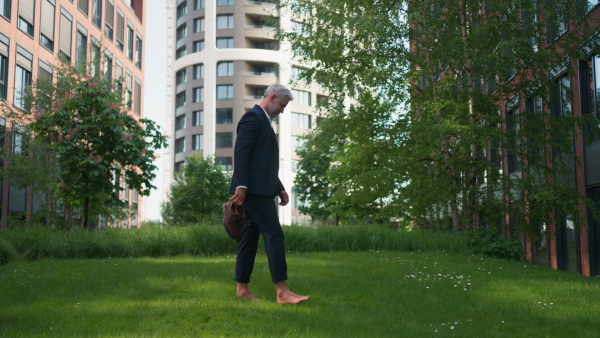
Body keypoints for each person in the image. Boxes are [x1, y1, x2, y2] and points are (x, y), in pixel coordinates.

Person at [229, 83, 310, 304]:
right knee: (274, 234)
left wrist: (279, 187)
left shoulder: (264, 120)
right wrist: (242, 187)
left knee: (248, 239)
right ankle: (282, 291)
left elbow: (262, 162)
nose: (282, 110)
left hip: (259, 188)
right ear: (272, 97)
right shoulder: (253, 118)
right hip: (252, 191)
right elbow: (242, 153)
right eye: (282, 105)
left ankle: (242, 290)